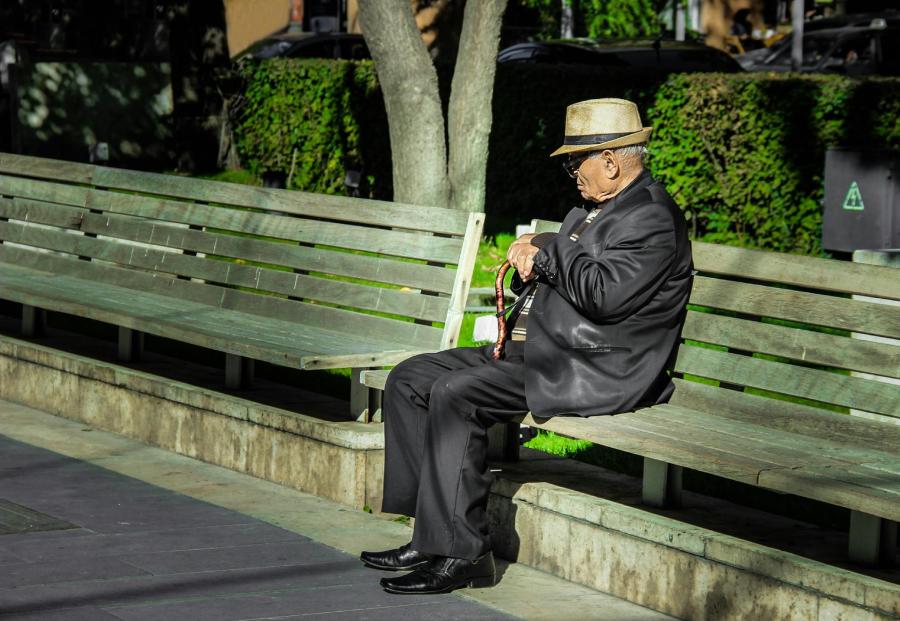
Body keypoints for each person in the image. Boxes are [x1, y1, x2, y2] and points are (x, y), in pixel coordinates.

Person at [360, 98, 694, 595]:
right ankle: (430, 535)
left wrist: (548, 247)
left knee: (456, 393)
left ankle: (464, 555)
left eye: (574, 162)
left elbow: (603, 296)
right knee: (409, 378)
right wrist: (532, 264)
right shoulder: (592, 211)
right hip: (543, 348)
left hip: (592, 365)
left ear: (609, 161)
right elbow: (563, 279)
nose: (571, 173)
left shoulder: (652, 218)